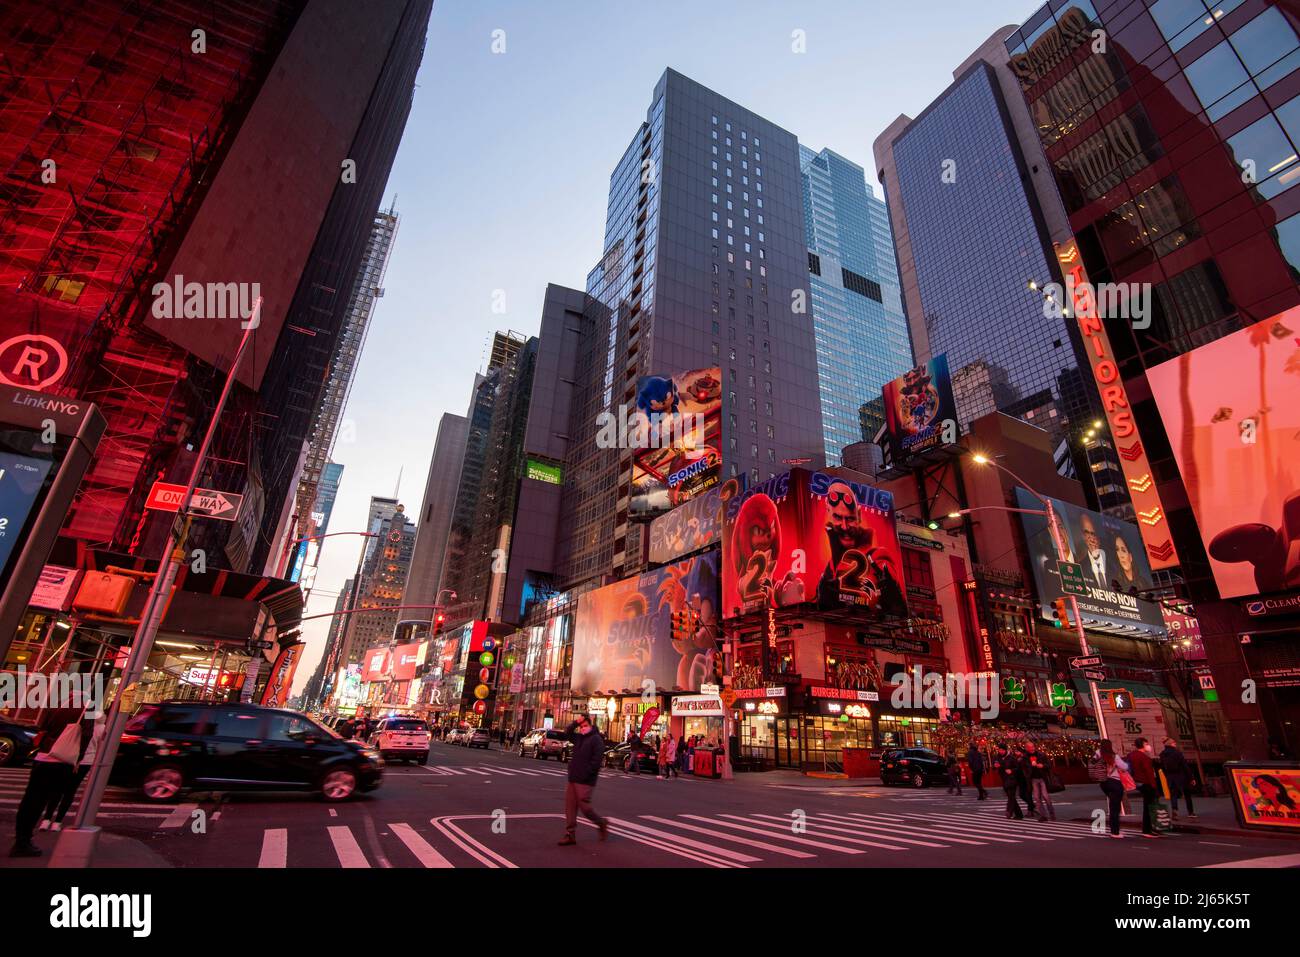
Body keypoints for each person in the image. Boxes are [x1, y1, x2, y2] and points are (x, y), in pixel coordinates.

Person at [10, 706, 94, 857]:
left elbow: (42, 727)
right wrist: (78, 759)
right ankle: (24, 842)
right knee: (44, 799)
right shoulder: (87, 707)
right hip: (61, 760)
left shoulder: (58, 703)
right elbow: (87, 735)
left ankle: (21, 838)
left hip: (42, 757)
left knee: (30, 799)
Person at [44, 711, 108, 832]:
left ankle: (46, 819)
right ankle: (57, 822)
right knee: (70, 791)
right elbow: (101, 747)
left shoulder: (82, 724)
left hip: (69, 758)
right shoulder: (102, 729)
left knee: (57, 789)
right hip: (86, 762)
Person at [558, 713, 609, 846]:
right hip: (573, 777)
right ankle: (570, 834)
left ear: (591, 725)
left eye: (585, 725)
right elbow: (567, 732)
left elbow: (596, 761)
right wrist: (576, 721)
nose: (582, 728)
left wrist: (587, 774)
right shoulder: (579, 738)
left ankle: (601, 822)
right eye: (581, 726)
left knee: (585, 807)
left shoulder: (596, 739)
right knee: (570, 807)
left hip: (586, 780)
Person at [1127, 737, 1162, 839]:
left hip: (1137, 782)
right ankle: (1147, 830)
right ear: (1143, 745)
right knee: (1149, 807)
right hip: (1146, 783)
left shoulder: (1131, 755)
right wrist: (1155, 786)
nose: (1148, 746)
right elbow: (1149, 773)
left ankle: (1149, 829)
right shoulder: (1144, 758)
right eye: (1147, 744)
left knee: (1147, 806)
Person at [1095, 739, 1129, 839]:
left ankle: (1115, 829)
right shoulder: (1113, 756)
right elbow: (1124, 767)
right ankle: (1115, 832)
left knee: (1112, 807)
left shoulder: (1096, 755)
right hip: (1114, 782)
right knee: (1115, 808)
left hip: (1103, 783)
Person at [1159, 737, 1196, 819]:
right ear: (1170, 744)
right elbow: (1185, 766)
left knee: (1173, 795)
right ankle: (1191, 812)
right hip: (1181, 776)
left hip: (1170, 777)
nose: (1175, 744)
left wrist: (1167, 776)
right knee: (1187, 794)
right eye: (1174, 743)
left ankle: (1175, 810)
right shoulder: (1177, 753)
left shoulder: (1162, 754)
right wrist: (1191, 778)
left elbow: (1162, 767)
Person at [1022, 741, 1056, 822]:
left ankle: (1052, 813)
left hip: (1042, 778)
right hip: (1033, 779)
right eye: (1029, 747)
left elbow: (1049, 765)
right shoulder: (1025, 757)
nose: (1031, 749)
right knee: (1037, 798)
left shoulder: (1041, 755)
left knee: (1046, 797)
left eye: (1032, 747)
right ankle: (1043, 815)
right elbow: (1024, 768)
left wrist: (1042, 765)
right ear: (1026, 748)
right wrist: (1030, 768)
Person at [1079, 514, 1114, 589]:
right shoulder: (1080, 569)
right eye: (1086, 533)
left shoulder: (1114, 565)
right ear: (1082, 536)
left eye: (1093, 533)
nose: (1091, 538)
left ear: (1098, 536)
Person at [992, 744, 1024, 820]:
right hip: (1004, 779)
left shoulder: (1011, 758)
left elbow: (1018, 768)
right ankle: (1019, 814)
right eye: (1000, 750)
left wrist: (1011, 770)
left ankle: (1009, 811)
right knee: (1011, 797)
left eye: (1002, 750)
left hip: (1012, 779)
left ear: (1006, 750)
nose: (1001, 751)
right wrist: (995, 766)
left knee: (1011, 796)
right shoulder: (997, 757)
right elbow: (994, 766)